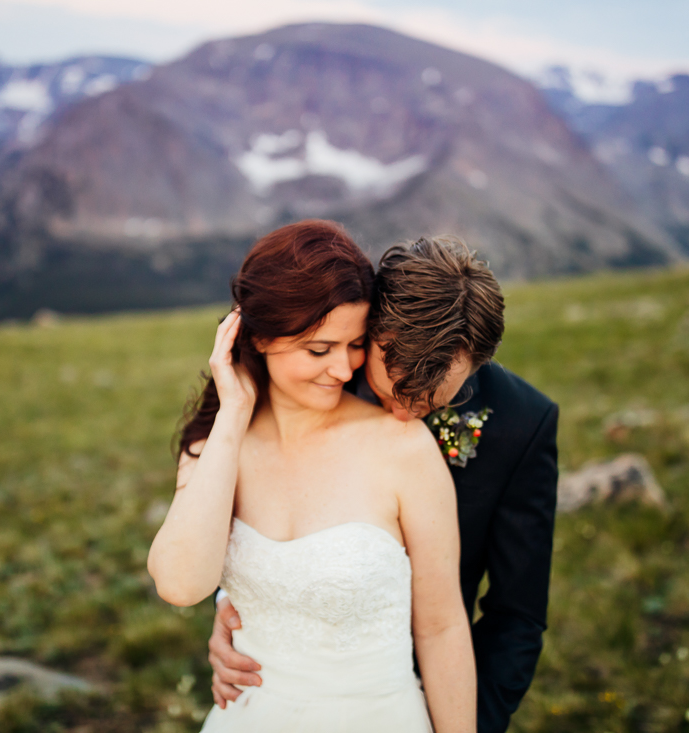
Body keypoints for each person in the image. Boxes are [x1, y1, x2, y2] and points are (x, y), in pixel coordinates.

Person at [208, 236, 559, 733]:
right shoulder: (318, 375)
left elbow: (517, 615)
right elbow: (246, 494)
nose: (402, 415)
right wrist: (233, 607)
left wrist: (463, 725)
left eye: (431, 403)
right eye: (388, 389)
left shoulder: (525, 423)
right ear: (373, 329)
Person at [147, 221, 476, 733]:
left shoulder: (403, 447)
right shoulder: (213, 447)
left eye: (356, 344)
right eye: (319, 350)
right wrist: (233, 414)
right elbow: (181, 584)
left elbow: (441, 627)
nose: (343, 370)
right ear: (257, 337)